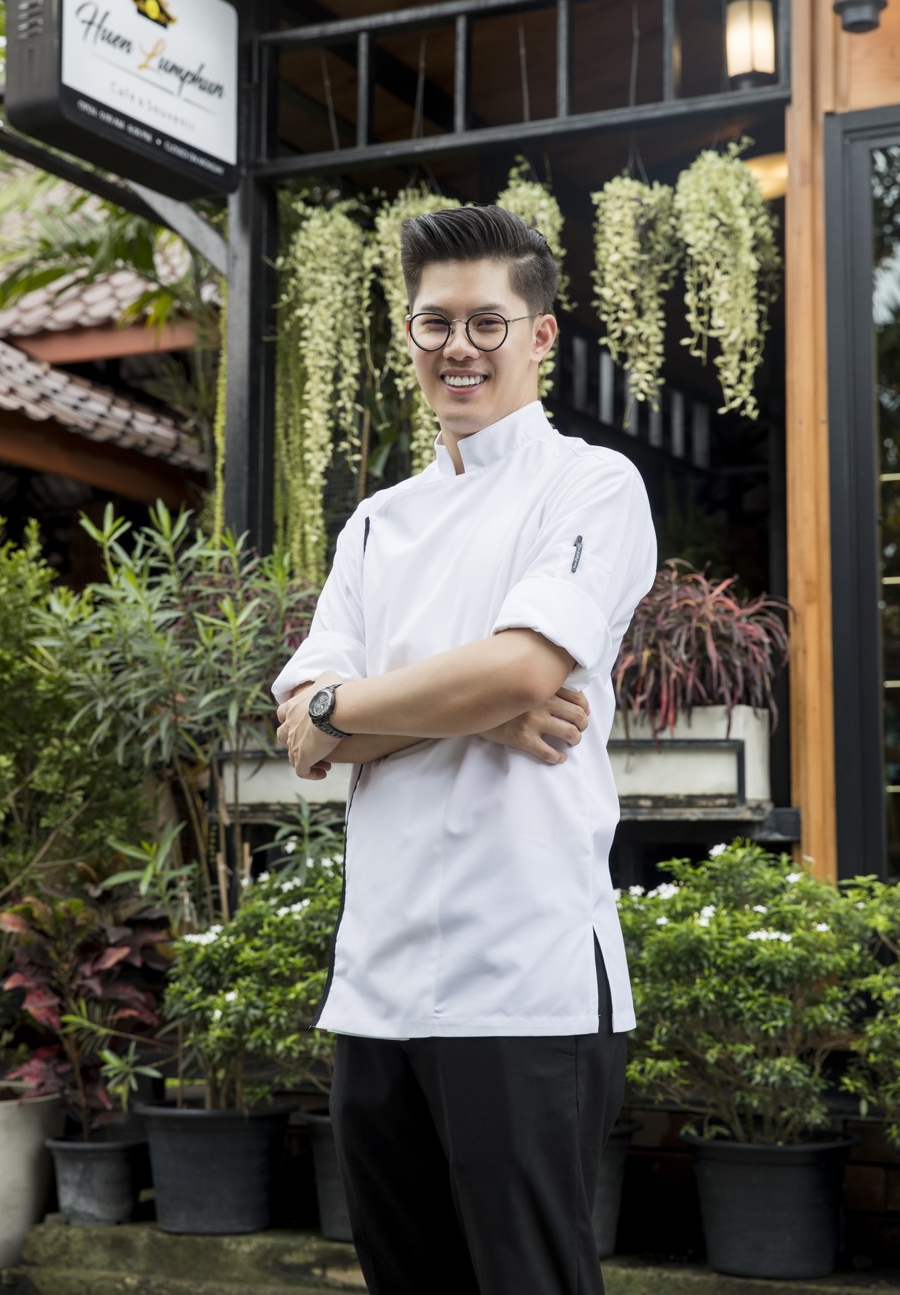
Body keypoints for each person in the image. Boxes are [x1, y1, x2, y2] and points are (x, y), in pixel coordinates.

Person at [273, 204, 656, 1295]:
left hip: (521, 976)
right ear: (408, 335)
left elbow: (525, 672)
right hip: (377, 981)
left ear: (540, 334)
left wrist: (380, 709)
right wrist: (470, 710)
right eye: (433, 323)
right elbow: (303, 728)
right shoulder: (374, 524)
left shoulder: (588, 484)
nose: (458, 347)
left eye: (488, 323)